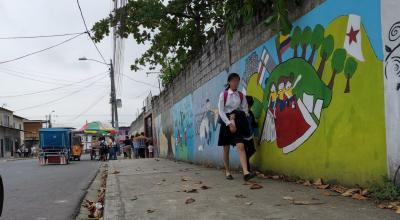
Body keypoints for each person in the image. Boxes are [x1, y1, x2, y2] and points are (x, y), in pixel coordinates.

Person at [218, 72, 255, 181]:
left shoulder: (241, 95)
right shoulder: (223, 95)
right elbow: (221, 111)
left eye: (237, 81)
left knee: (241, 146)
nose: (236, 83)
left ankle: (246, 172)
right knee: (226, 148)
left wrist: (237, 116)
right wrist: (229, 122)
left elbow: (245, 109)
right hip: (226, 122)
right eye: (233, 81)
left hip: (237, 121)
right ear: (229, 82)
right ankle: (228, 171)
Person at [244, 96, 258, 172]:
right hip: (242, 137)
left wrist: (256, 135)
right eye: (247, 106)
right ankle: (247, 171)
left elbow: (254, 124)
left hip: (249, 136)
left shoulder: (250, 113)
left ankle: (244, 161)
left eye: (250, 106)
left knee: (252, 150)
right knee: (245, 152)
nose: (248, 108)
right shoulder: (241, 113)